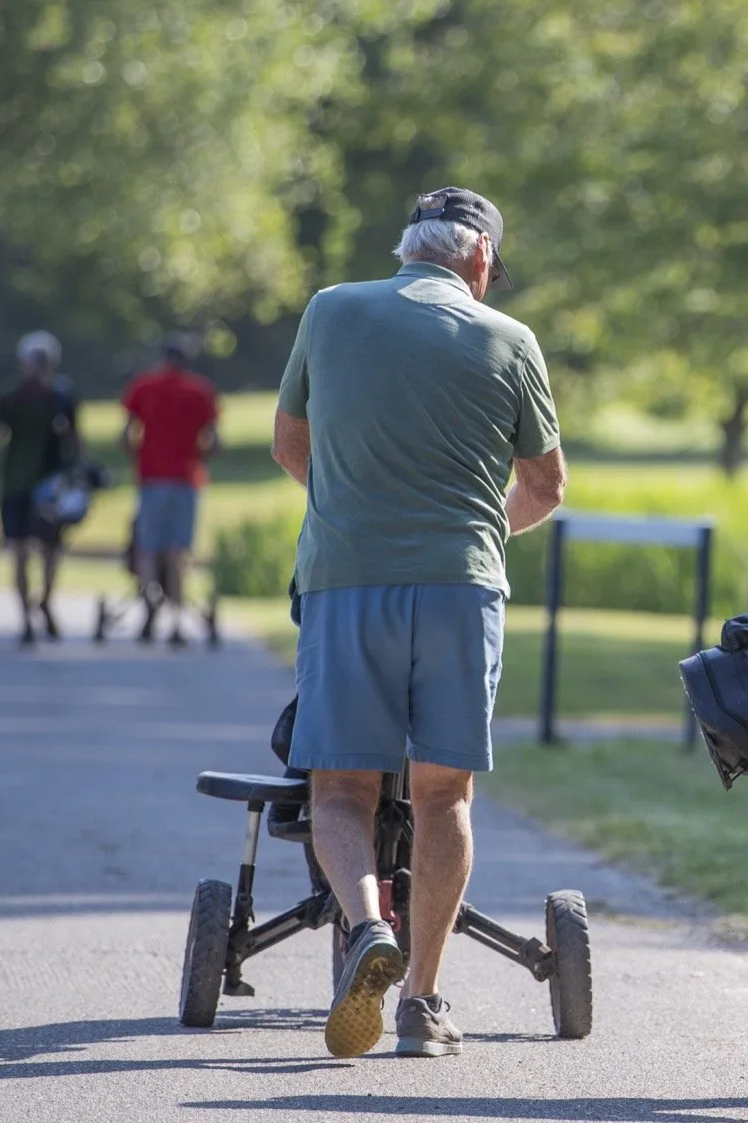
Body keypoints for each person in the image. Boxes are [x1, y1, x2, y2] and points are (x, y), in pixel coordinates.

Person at [271, 188, 567, 1059]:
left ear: (408, 250)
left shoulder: (330, 311)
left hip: (346, 581)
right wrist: (474, 531)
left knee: (337, 790)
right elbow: (546, 487)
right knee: (445, 794)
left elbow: (292, 446)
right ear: (479, 259)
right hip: (458, 588)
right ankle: (424, 1005)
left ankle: (368, 928)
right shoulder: (509, 338)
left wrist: (356, 510)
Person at [0, 331, 80, 646]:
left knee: (50, 550)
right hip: (16, 486)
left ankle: (45, 600)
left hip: (51, 487)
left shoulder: (61, 397)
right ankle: (25, 618)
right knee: (19, 551)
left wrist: (79, 476)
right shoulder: (10, 398)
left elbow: (75, 441)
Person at [122, 334, 222, 646]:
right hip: (185, 478)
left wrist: (139, 456)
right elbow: (214, 441)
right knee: (178, 550)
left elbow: (127, 435)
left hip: (152, 478)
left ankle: (150, 604)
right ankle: (177, 621)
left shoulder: (144, 386)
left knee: (149, 547)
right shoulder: (201, 391)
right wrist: (201, 456)